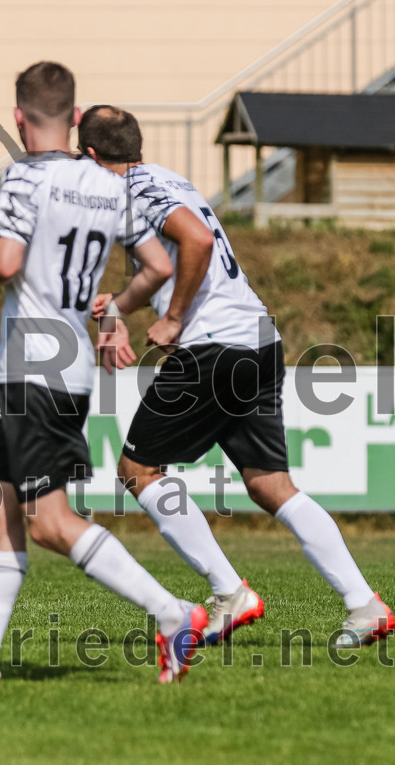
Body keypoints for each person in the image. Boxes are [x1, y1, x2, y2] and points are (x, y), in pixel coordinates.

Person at [0, 62, 206, 684]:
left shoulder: (25, 176)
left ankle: (174, 613)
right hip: (67, 363)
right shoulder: (104, 183)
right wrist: (111, 308)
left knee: (49, 522)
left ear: (19, 117)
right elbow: (154, 263)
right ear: (74, 118)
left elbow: (8, 259)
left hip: (35, 366)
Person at [80, 105, 394, 648]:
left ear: (90, 157)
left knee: (138, 469)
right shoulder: (166, 179)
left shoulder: (131, 194)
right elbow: (173, 258)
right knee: (270, 485)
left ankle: (230, 593)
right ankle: (365, 605)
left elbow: (197, 242)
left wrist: (173, 316)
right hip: (256, 339)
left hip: (214, 346)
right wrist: (124, 307)